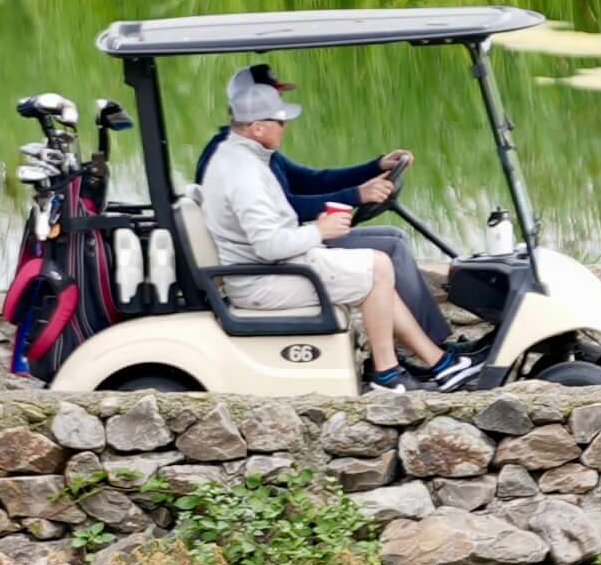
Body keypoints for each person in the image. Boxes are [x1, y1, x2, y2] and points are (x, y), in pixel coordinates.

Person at [199, 71, 477, 389]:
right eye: (280, 119)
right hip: (266, 277)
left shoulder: (247, 156)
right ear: (257, 126)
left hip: (273, 265)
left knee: (377, 266)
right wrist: (321, 228)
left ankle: (436, 361)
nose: (286, 124)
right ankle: (391, 373)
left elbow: (308, 184)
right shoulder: (244, 172)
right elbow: (269, 243)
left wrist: (374, 168)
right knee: (377, 266)